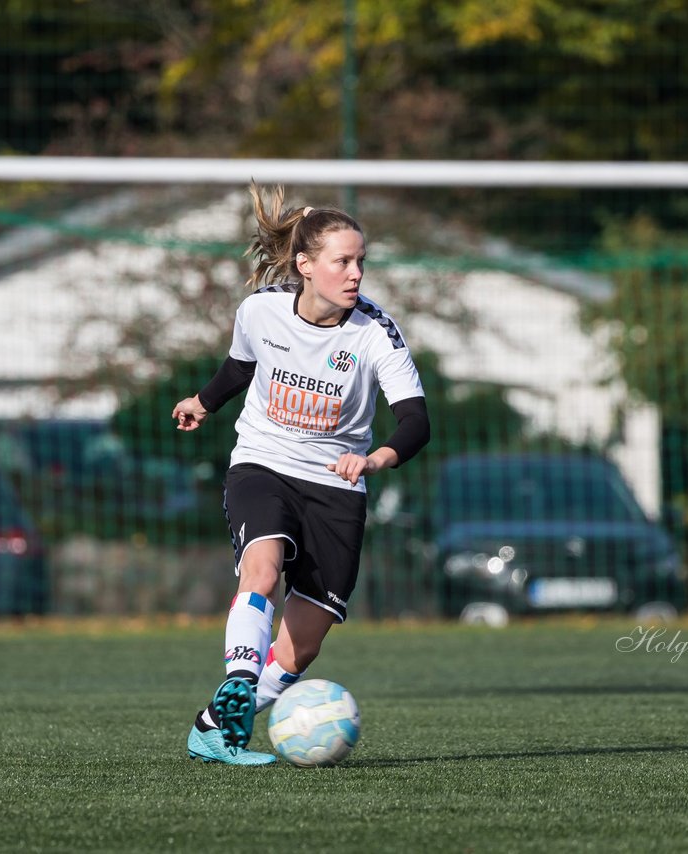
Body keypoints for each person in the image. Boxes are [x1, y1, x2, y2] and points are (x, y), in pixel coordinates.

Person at [172, 184, 431, 765]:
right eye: (343, 260)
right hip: (262, 463)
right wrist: (204, 402)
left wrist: (376, 458)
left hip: (337, 488)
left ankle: (214, 723)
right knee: (260, 569)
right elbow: (241, 365)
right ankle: (239, 682)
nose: (356, 273)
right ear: (305, 265)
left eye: (362, 260)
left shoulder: (374, 333)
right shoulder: (260, 310)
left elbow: (415, 421)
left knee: (301, 647)